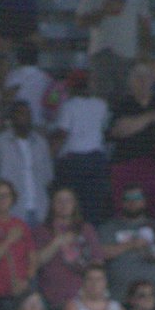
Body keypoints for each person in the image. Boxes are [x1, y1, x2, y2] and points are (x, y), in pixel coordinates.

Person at [108, 62, 155, 216]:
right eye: (138, 78)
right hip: (127, 164)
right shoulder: (123, 105)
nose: (143, 81)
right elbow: (119, 130)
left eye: (146, 77)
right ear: (131, 82)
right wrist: (149, 117)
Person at [98, 185, 155, 302]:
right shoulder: (108, 228)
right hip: (118, 296)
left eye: (137, 197)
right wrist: (131, 244)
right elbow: (100, 254)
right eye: (128, 198)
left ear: (144, 201)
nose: (132, 202)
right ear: (122, 202)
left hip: (152, 298)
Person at [51, 69, 112, 224]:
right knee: (93, 208)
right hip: (96, 161)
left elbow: (61, 135)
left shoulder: (69, 106)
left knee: (71, 207)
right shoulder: (101, 105)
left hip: (73, 163)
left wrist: (51, 156)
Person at [0, 101, 53, 226]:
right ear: (12, 117)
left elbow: (48, 180)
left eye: (28, 114)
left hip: (39, 210)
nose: (25, 117)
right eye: (21, 113)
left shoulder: (41, 143)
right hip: (9, 213)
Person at [34, 187, 106, 310]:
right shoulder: (42, 230)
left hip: (83, 297)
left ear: (74, 204)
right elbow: (36, 262)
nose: (64, 205)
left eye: (68, 201)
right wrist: (57, 242)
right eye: (59, 201)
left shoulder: (86, 229)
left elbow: (98, 261)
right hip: (54, 297)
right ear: (52, 205)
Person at [75, 0, 149, 102]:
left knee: (126, 102)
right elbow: (80, 21)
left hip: (128, 55)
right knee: (101, 102)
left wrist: (144, 53)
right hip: (101, 55)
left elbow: (145, 23)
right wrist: (103, 10)